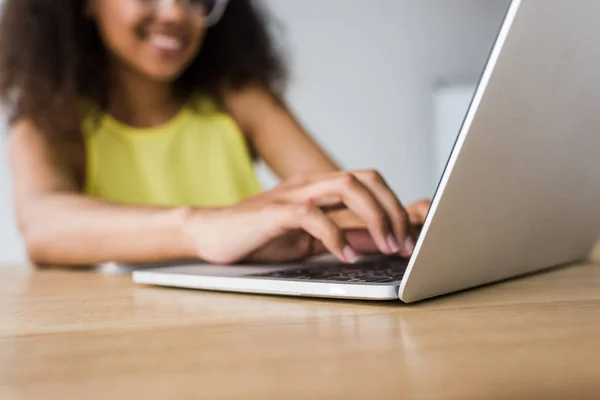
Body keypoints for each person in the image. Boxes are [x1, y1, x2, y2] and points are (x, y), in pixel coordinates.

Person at [0, 0, 430, 267]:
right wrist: (202, 227)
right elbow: (43, 225)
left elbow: (337, 205)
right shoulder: (51, 116)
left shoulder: (236, 98)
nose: (174, 12)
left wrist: (398, 223)